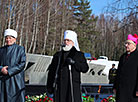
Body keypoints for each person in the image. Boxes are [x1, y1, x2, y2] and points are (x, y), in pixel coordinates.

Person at [47, 30, 89, 102]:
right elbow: (52, 71)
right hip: (60, 86)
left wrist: (74, 63)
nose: (66, 42)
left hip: (72, 86)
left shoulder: (79, 55)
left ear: (73, 42)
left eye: (68, 40)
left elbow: (85, 68)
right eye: (65, 40)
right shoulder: (58, 55)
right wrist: (49, 86)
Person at [0, 29, 26, 102]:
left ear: (14, 39)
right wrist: (1, 69)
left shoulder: (20, 49)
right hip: (3, 81)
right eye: (6, 38)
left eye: (10, 38)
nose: (8, 39)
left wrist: (9, 71)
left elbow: (22, 64)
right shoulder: (1, 50)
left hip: (15, 80)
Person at [113, 34, 138, 102]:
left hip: (132, 91)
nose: (126, 45)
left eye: (128, 43)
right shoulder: (123, 56)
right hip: (121, 90)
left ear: (134, 44)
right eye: (126, 43)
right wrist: (115, 86)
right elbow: (118, 73)